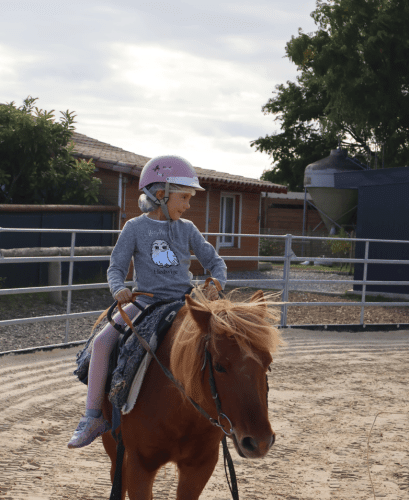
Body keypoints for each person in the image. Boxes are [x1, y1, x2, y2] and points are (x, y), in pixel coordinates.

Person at [68, 155, 227, 448]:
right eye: (184, 197)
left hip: (183, 302)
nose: (188, 205)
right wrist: (118, 289)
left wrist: (216, 283)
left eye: (189, 199)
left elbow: (215, 262)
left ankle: (221, 411)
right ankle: (93, 416)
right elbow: (116, 267)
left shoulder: (188, 228)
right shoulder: (134, 228)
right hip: (144, 302)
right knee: (102, 343)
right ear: (160, 194)